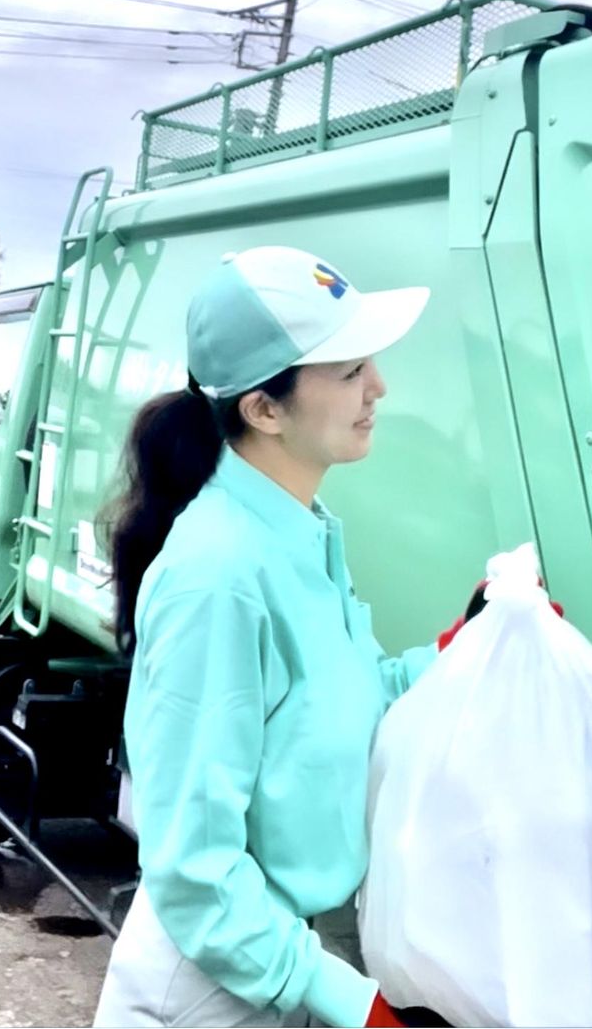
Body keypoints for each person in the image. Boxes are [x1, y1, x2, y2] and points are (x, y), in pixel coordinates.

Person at [94, 245, 449, 1029]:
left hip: (279, 964)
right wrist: (354, 1002)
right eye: (350, 370)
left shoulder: (301, 532)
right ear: (264, 409)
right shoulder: (217, 576)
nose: (379, 386)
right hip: (211, 993)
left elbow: (351, 700)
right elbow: (195, 870)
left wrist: (463, 651)